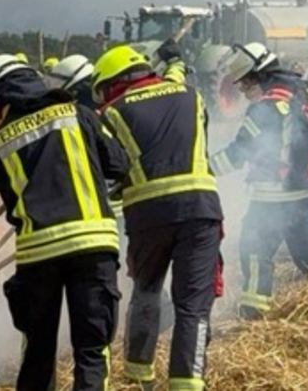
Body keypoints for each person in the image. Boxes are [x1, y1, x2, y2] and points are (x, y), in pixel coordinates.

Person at [0, 54, 127, 391]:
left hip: (38, 257)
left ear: (1, 100)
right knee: (92, 349)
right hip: (93, 247)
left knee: (38, 352)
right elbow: (119, 164)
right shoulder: (81, 115)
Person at [92, 40, 223, 391]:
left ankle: (138, 379)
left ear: (110, 82)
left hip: (147, 218)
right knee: (192, 307)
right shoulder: (190, 95)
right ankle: (187, 385)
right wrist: (175, 60)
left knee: (146, 293)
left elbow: (112, 170)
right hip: (200, 212)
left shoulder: (111, 113)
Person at [209, 42, 308, 319]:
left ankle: (252, 316)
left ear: (255, 76)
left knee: (254, 251)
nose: (243, 92)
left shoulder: (265, 106)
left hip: (273, 198)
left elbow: (239, 153)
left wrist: (203, 169)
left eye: (244, 85)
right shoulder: (302, 90)